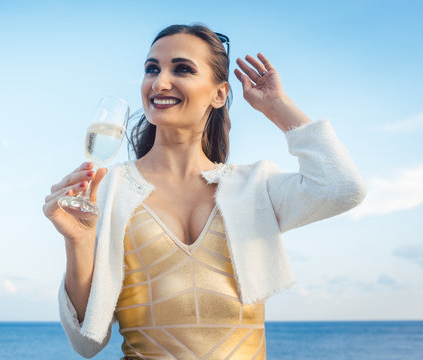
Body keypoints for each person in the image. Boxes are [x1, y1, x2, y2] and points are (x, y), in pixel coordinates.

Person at [42, 24, 366, 359]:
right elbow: (86, 343)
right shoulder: (108, 191)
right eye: (152, 68)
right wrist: (77, 241)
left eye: (182, 69)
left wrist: (277, 106)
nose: (160, 82)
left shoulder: (253, 187)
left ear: (220, 94)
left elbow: (342, 188)